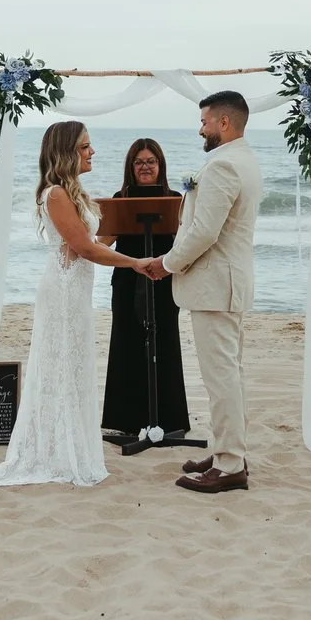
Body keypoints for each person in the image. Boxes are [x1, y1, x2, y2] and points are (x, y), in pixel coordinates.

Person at [0, 122, 147, 489]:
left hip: (76, 290)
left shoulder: (72, 192)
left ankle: (71, 449)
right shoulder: (55, 195)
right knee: (62, 366)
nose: (92, 152)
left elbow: (92, 240)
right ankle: (56, 453)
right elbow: (83, 249)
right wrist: (136, 263)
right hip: (63, 292)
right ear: (66, 152)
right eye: (85, 146)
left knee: (74, 365)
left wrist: (130, 218)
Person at [139, 90, 264, 495]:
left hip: (215, 287)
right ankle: (227, 450)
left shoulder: (224, 166)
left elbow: (204, 232)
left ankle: (229, 464)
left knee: (221, 376)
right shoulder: (243, 159)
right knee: (229, 374)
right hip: (228, 283)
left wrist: (167, 263)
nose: (201, 129)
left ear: (224, 123)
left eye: (205, 121)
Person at [99, 137, 191, 441]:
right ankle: (125, 422)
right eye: (139, 162)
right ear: (131, 167)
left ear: (160, 165)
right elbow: (106, 240)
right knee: (126, 344)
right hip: (127, 282)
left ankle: (169, 420)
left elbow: (186, 241)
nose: (145, 167)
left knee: (164, 343)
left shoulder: (175, 198)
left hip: (163, 281)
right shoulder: (120, 197)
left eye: (151, 161)